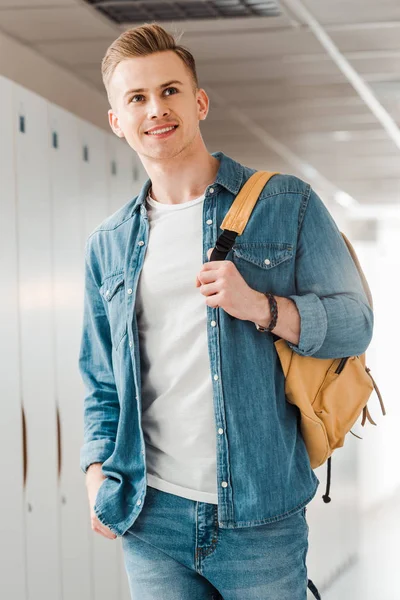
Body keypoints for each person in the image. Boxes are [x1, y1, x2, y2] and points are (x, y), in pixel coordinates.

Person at [79, 23, 373, 600]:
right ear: (117, 121)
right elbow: (100, 384)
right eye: (136, 98)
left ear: (199, 102)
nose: (155, 109)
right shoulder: (108, 244)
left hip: (260, 515)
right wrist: (95, 476)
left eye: (169, 91)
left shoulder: (285, 204)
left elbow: (355, 324)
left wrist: (261, 307)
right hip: (151, 517)